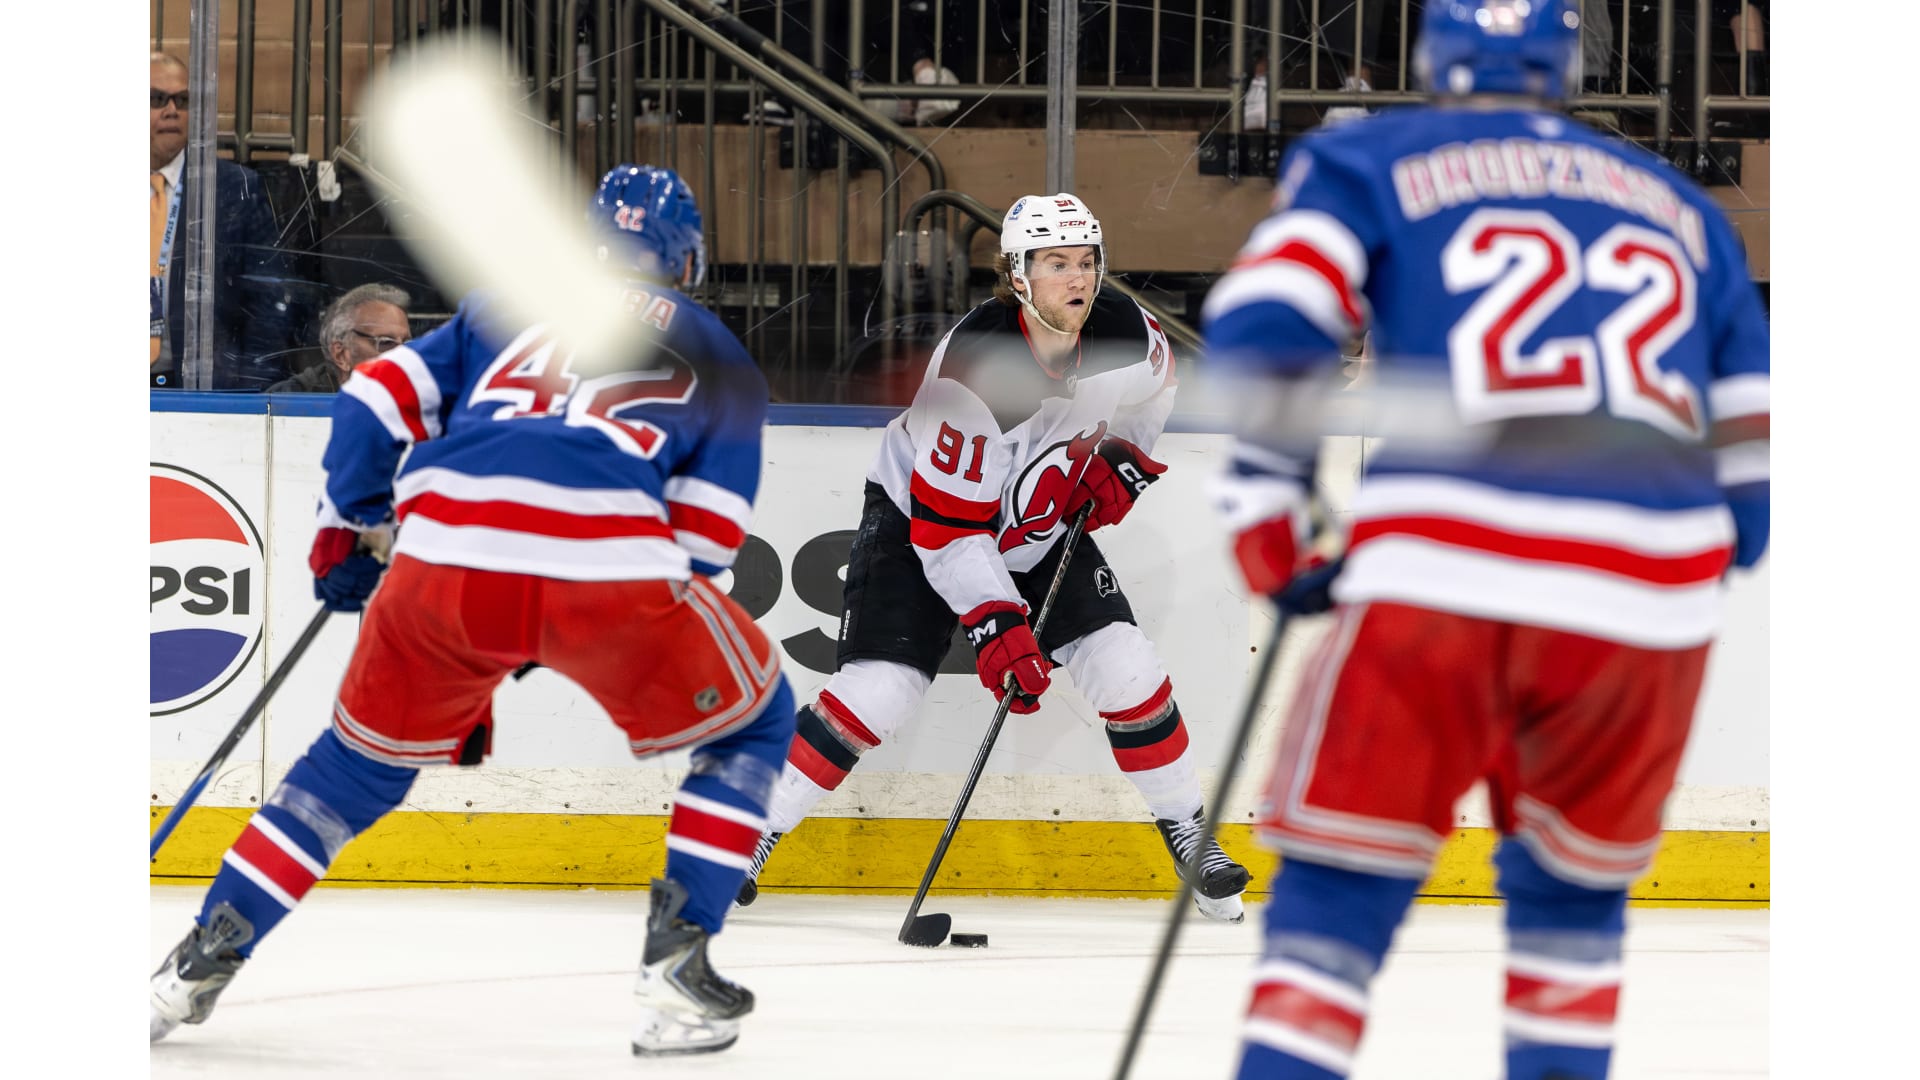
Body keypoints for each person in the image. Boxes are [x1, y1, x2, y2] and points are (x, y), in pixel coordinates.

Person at [1201, 2, 1769, 1078]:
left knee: (1335, 898)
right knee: (1572, 916)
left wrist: (1267, 517)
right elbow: (1752, 433)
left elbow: (1265, 321)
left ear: (1434, 56)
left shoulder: (1368, 154)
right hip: (1647, 604)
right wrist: (1720, 541)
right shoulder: (1684, 208)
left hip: (1446, 576)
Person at [149, 165, 795, 1057]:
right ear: (686, 262)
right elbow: (708, 543)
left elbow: (371, 400)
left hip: (444, 563)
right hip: (609, 568)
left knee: (351, 769)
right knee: (756, 722)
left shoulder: (506, 306)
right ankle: (678, 966)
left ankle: (195, 963)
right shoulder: (722, 355)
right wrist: (578, 610)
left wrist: (349, 526)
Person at [735, 193, 1254, 923]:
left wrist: (1125, 456)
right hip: (920, 523)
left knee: (1127, 667)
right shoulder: (974, 374)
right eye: (1056, 264)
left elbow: (1158, 387)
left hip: (1037, 523)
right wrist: (997, 623)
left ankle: (1190, 833)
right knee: (881, 689)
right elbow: (949, 534)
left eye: (1086, 262)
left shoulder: (1124, 331)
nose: (1078, 278)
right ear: (1017, 276)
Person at [149, 52, 293, 389]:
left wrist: (249, 390)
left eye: (183, 100)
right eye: (156, 99)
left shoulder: (232, 188)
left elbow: (268, 298)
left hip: (198, 389)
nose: (172, 110)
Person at [266, 283, 413, 393]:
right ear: (341, 355)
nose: (404, 356)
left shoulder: (419, 395)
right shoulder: (286, 402)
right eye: (386, 343)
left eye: (408, 344)